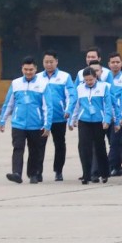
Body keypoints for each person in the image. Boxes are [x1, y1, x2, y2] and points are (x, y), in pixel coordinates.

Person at [0, 57, 49, 184]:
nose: (28, 72)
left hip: (35, 124)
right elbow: (9, 104)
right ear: (22, 68)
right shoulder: (15, 83)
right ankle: (16, 173)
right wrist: (2, 120)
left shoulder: (43, 84)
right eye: (26, 69)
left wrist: (47, 124)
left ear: (36, 69)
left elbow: (47, 107)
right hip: (18, 124)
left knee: (34, 150)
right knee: (18, 148)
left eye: (31, 69)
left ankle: (33, 174)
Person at [68, 64, 112, 184]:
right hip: (84, 121)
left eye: (91, 79)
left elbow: (107, 105)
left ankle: (103, 173)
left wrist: (107, 120)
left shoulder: (104, 87)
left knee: (99, 148)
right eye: (86, 80)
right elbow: (76, 106)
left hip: (99, 121)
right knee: (84, 148)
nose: (89, 82)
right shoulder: (80, 89)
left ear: (96, 77)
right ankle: (86, 175)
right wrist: (72, 120)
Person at [37, 51, 73, 181]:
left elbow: (71, 95)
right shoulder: (38, 77)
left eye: (51, 62)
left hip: (59, 117)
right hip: (43, 118)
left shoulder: (65, 77)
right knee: (39, 145)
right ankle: (38, 171)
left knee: (59, 144)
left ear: (56, 62)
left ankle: (58, 170)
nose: (48, 64)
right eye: (46, 62)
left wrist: (68, 110)